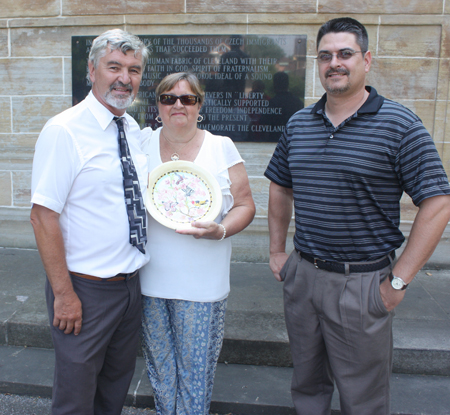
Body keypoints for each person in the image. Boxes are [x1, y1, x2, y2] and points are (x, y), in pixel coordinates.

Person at [265, 17, 450, 415]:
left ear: (366, 59)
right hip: (303, 278)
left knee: (362, 398)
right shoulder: (299, 124)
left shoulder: (399, 124)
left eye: (345, 53)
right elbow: (280, 184)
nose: (335, 63)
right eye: (326, 55)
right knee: (307, 386)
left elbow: (438, 201)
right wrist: (277, 251)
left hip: (362, 283)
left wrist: (398, 280)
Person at [30, 29, 150, 415]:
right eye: (114, 66)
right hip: (84, 291)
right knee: (76, 399)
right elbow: (42, 215)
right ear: (92, 68)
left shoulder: (131, 128)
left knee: (113, 391)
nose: (124, 78)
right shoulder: (64, 130)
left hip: (131, 288)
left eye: (133, 69)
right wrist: (64, 295)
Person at [140, 72, 255, 415]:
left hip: (201, 282)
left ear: (199, 105)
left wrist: (219, 230)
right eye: (168, 98)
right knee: (161, 371)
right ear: (158, 105)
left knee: (195, 375)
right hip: (149, 278)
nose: (178, 105)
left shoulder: (221, 147)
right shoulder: (141, 144)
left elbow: (246, 205)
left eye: (187, 99)